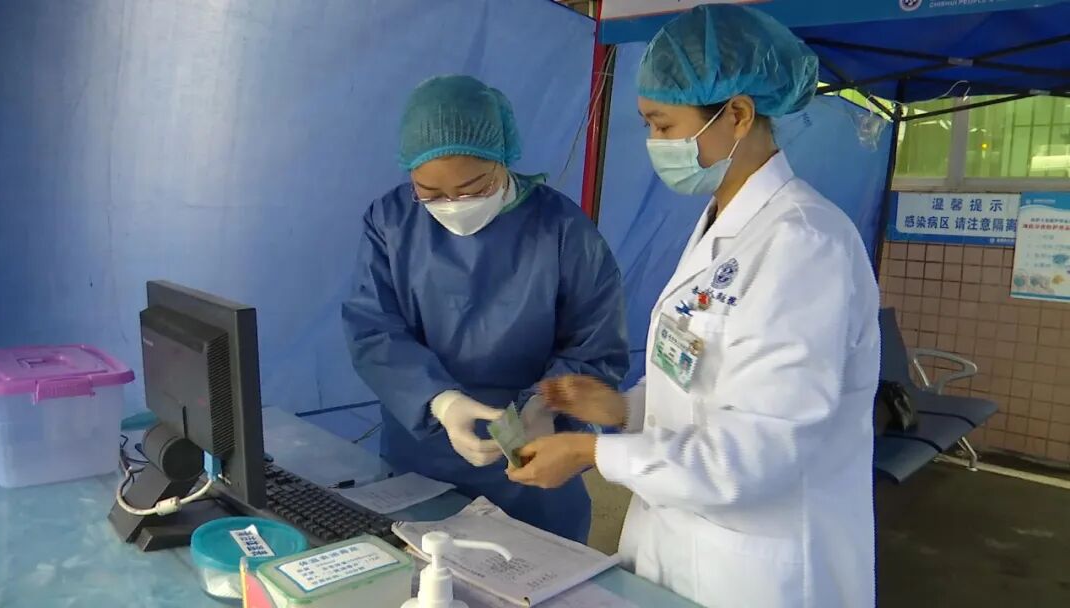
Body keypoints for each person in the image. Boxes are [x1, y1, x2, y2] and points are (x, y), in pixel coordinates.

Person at [507, 6, 879, 607]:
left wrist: (591, 452)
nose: (655, 144)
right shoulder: (726, 224)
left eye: (664, 125)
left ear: (737, 115)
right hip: (681, 542)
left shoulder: (804, 245)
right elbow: (707, 382)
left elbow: (759, 451)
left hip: (760, 572)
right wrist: (624, 409)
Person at [342, 75, 629, 543]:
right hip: (420, 454)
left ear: (503, 160)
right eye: (430, 193)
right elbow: (373, 329)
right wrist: (441, 401)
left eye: (473, 188)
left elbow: (595, 345)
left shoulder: (562, 230)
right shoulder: (391, 221)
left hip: (532, 461)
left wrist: (543, 405)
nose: (453, 205)